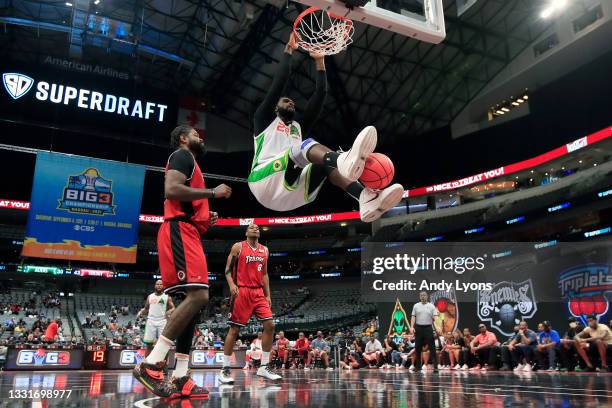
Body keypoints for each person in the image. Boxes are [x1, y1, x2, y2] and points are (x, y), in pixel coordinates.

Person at [248, 33, 403, 222]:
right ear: (274, 107)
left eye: (292, 103)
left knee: (323, 161)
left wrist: (320, 62)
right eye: (286, 101)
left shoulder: (297, 127)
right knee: (306, 146)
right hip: (263, 181)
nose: (291, 103)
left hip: (291, 195)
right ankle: (343, 159)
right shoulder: (263, 119)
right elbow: (279, 83)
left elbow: (320, 95)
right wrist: (289, 50)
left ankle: (365, 197)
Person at [133, 125, 231, 399]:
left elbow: (183, 198)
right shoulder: (182, 155)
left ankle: (180, 378)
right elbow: (172, 189)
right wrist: (212, 193)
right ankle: (152, 363)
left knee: (192, 308)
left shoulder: (192, 163)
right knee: (199, 296)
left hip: (188, 230)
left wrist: (203, 215)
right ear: (183, 138)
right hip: (179, 231)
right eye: (197, 134)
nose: (202, 137)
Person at [219, 223, 281, 384]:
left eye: (257, 228)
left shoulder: (265, 250)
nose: (255, 228)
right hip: (242, 291)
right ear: (246, 232)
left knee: (270, 325)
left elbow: (265, 274)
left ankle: (264, 366)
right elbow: (227, 270)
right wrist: (232, 285)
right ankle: (225, 369)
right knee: (234, 329)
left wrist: (268, 294)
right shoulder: (238, 247)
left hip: (258, 292)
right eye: (251, 227)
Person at [138, 280, 175, 357]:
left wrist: (169, 311)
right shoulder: (150, 296)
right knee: (149, 345)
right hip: (151, 321)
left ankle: (164, 365)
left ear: (163, 286)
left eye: (161, 284)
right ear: (155, 286)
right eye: (157, 284)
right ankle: (146, 364)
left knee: (163, 345)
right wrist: (141, 312)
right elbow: (146, 309)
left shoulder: (167, 297)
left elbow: (173, 308)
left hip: (162, 321)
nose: (159, 285)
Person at [410, 291, 440, 372]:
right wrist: (411, 327)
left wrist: (437, 326)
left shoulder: (431, 306)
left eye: (424, 295)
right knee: (417, 347)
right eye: (421, 295)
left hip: (428, 328)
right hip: (418, 328)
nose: (423, 297)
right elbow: (413, 317)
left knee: (432, 348)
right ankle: (418, 367)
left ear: (427, 296)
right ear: (420, 297)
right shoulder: (416, 306)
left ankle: (436, 367)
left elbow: (435, 317)